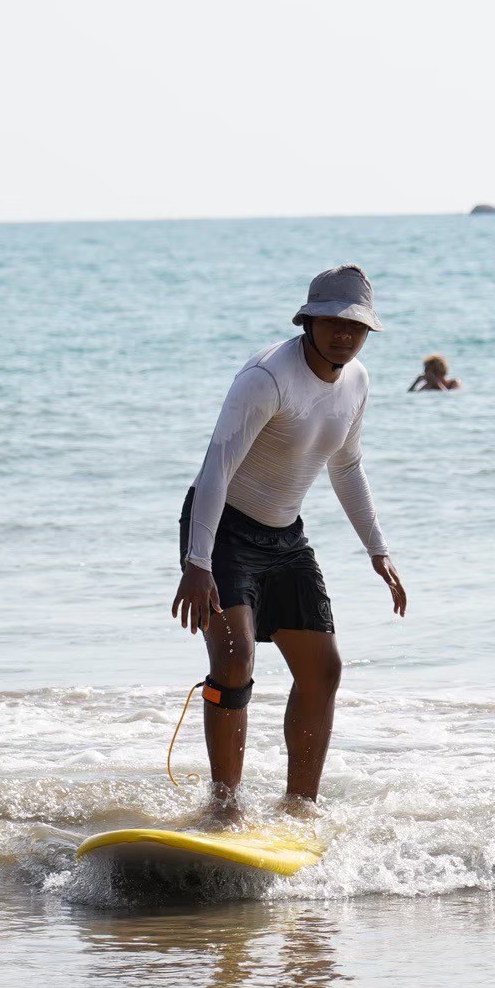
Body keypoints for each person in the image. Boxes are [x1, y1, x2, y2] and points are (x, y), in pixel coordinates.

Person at [172, 265, 407, 816]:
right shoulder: (266, 379)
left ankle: (299, 808)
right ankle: (224, 807)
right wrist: (197, 562)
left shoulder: (358, 381)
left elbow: (347, 468)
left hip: (285, 536)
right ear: (308, 320)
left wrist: (378, 549)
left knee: (324, 668)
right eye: (332, 322)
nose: (344, 335)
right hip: (223, 528)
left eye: (356, 327)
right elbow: (215, 470)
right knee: (234, 660)